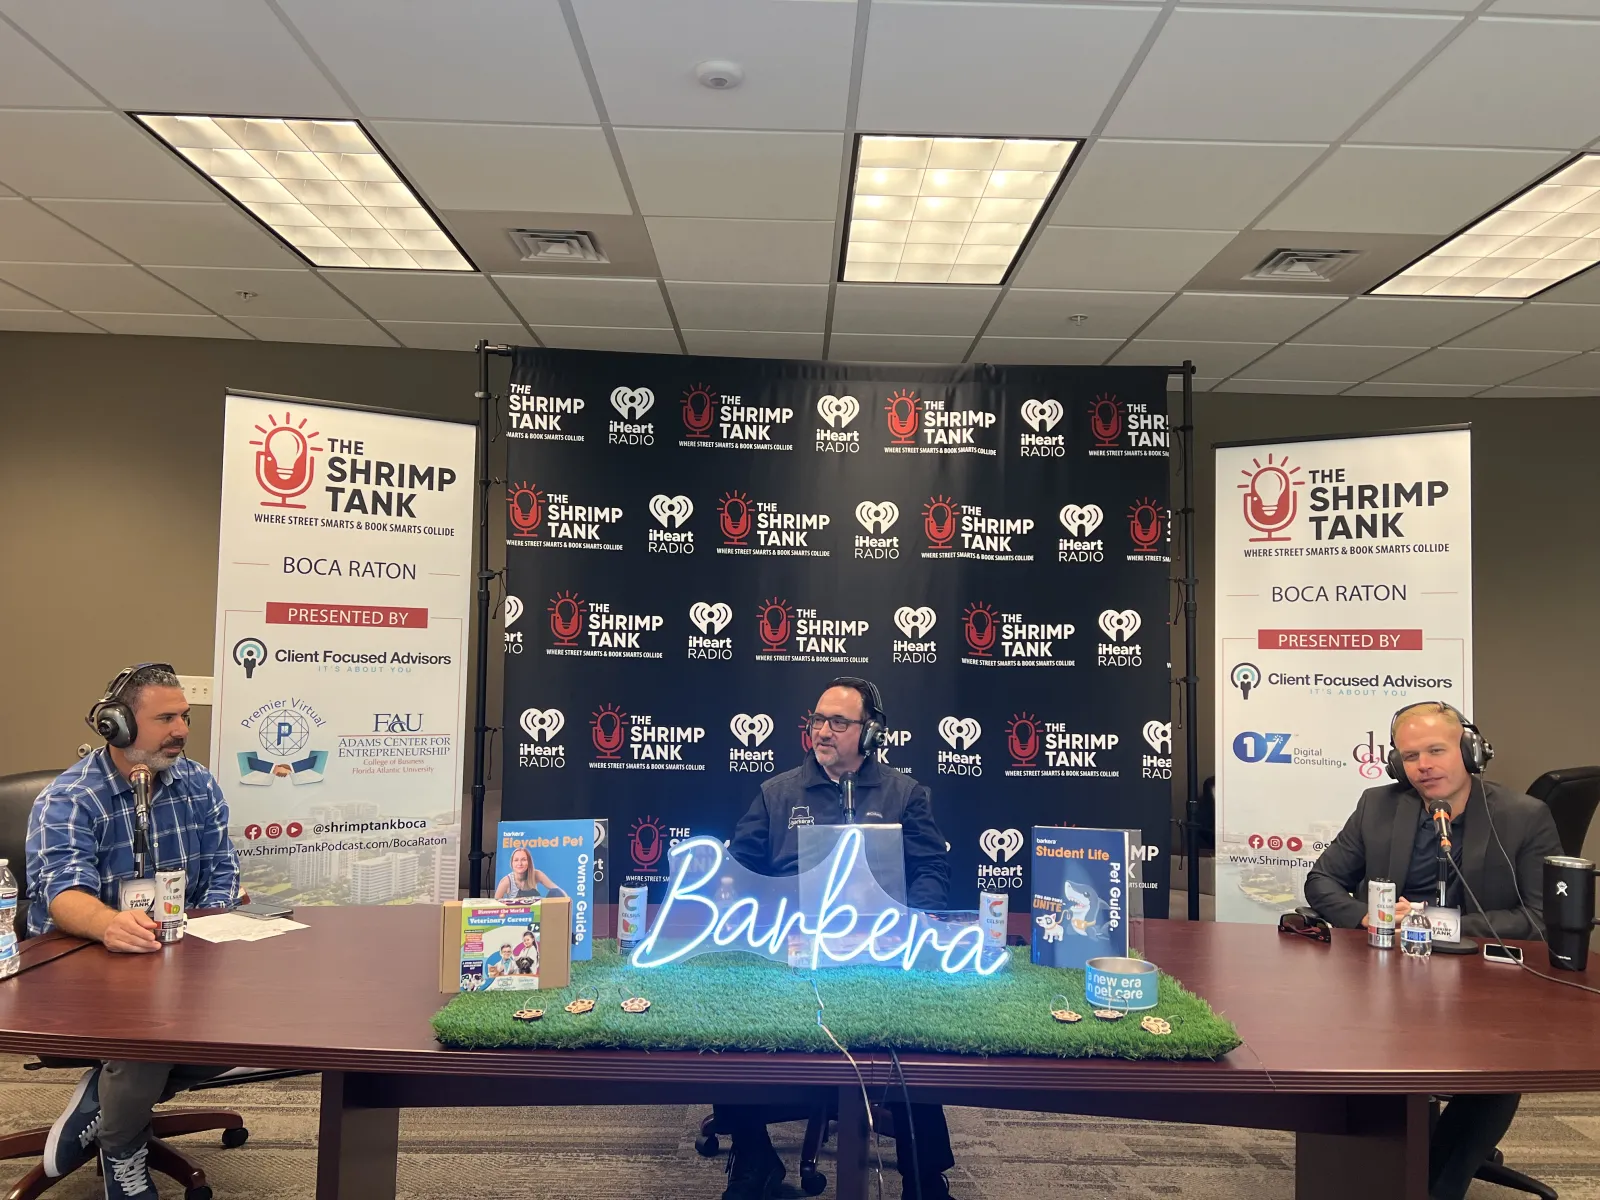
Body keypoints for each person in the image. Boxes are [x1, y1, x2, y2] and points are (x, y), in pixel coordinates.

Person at [1304, 701, 1562, 1200]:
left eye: (1437, 750)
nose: (1424, 765)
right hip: (1390, 983)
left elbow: (1539, 921)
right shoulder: (1377, 806)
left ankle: (1435, 1185)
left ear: (1470, 751)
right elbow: (1323, 881)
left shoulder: (1525, 817)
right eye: (1410, 755)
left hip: (1488, 987)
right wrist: (1373, 916)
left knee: (1497, 1066)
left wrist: (1432, 925)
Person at [712, 677, 956, 1200]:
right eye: (818, 720)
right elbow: (739, 871)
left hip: (881, 952)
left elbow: (932, 870)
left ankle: (923, 1174)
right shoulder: (775, 794)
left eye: (838, 722)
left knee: (911, 1032)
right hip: (791, 955)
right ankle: (754, 1157)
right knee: (727, 1012)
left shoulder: (904, 794)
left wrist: (918, 924)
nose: (822, 731)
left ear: (870, 734)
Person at [26, 664, 241, 1200]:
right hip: (84, 957)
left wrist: (213, 937)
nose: (182, 730)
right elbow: (61, 894)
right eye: (166, 717)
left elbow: (223, 871)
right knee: (150, 1030)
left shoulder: (196, 783)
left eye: (186, 717)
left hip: (178, 950)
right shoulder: (72, 797)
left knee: (253, 1019)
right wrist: (110, 924)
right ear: (116, 726)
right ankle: (123, 1145)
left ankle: (103, 1099)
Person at [494, 845, 566, 900]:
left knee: (556, 892)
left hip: (536, 913)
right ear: (512, 863)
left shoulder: (536, 874)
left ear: (529, 862)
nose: (520, 863)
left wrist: (568, 901)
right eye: (516, 860)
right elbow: (495, 905)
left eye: (523, 860)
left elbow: (558, 890)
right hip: (518, 915)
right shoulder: (506, 881)